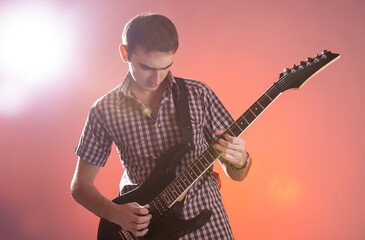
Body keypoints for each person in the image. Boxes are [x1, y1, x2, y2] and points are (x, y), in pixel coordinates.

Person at [71, 13, 252, 239]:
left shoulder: (198, 94)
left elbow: (237, 174)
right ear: (125, 53)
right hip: (144, 231)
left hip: (209, 229)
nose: (156, 78)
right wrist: (115, 213)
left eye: (166, 66)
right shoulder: (104, 110)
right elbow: (80, 186)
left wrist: (240, 160)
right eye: (146, 67)